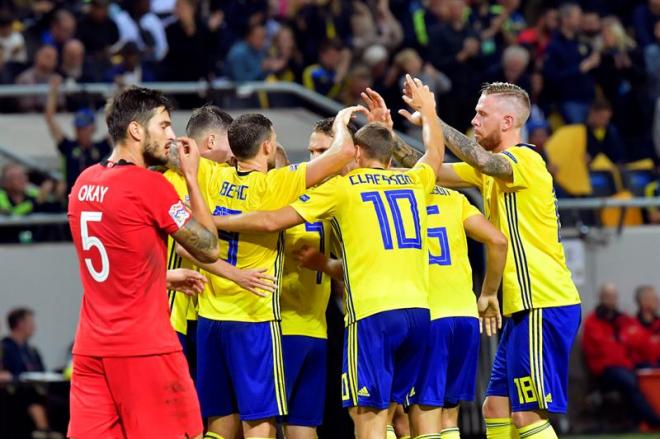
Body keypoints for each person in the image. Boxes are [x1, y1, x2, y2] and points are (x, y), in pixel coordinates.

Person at [209, 74, 445, 439]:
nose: (320, 160)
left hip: (359, 319)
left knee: (367, 418)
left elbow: (271, 220)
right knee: (394, 418)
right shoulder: (411, 182)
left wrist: (217, 219)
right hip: (417, 312)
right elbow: (434, 155)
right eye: (314, 153)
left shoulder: (337, 191)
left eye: (324, 151)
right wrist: (427, 113)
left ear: (354, 153)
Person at [390, 81, 581, 439]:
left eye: (482, 114)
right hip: (523, 308)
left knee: (526, 415)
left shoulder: (527, 160)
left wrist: (432, 116)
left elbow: (480, 159)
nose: (474, 120)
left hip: (544, 301)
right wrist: (387, 137)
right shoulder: (491, 170)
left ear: (508, 122)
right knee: (495, 406)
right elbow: (429, 171)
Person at [181, 105, 366, 439]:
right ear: (267, 147)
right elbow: (343, 153)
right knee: (259, 420)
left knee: (218, 424)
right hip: (255, 317)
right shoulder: (277, 185)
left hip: (209, 316)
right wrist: (340, 122)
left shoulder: (210, 175)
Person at [66, 86, 220, 438]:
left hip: (91, 349)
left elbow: (108, 265)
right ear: (136, 130)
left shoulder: (82, 183)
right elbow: (209, 248)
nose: (172, 136)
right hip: (144, 349)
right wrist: (192, 178)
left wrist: (160, 277)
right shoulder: (147, 185)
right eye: (164, 126)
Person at [164, 105, 276, 377]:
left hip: (197, 312)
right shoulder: (177, 182)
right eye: (230, 140)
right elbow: (187, 245)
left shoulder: (212, 183)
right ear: (211, 141)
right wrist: (237, 275)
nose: (235, 151)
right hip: (171, 314)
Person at [582, 283, 660, 427]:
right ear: (601, 298)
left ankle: (641, 420)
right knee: (628, 380)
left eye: (614, 297)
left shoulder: (624, 319)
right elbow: (604, 350)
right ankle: (653, 421)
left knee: (651, 369)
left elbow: (642, 343)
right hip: (606, 370)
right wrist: (624, 343)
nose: (611, 300)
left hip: (627, 365)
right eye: (608, 296)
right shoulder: (592, 321)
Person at [1, 308, 63, 439]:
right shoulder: (4, 348)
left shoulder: (32, 351)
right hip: (14, 391)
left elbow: (42, 372)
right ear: (20, 324)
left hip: (37, 388)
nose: (34, 326)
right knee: (29, 395)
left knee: (61, 394)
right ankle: (43, 431)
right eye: (31, 322)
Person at [44, 76, 111, 196]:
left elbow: (120, 123)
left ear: (93, 128)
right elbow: (49, 117)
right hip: (72, 202)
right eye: (78, 128)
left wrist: (122, 92)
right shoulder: (68, 146)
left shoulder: (101, 147)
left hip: (96, 202)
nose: (81, 132)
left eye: (84, 128)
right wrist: (54, 91)